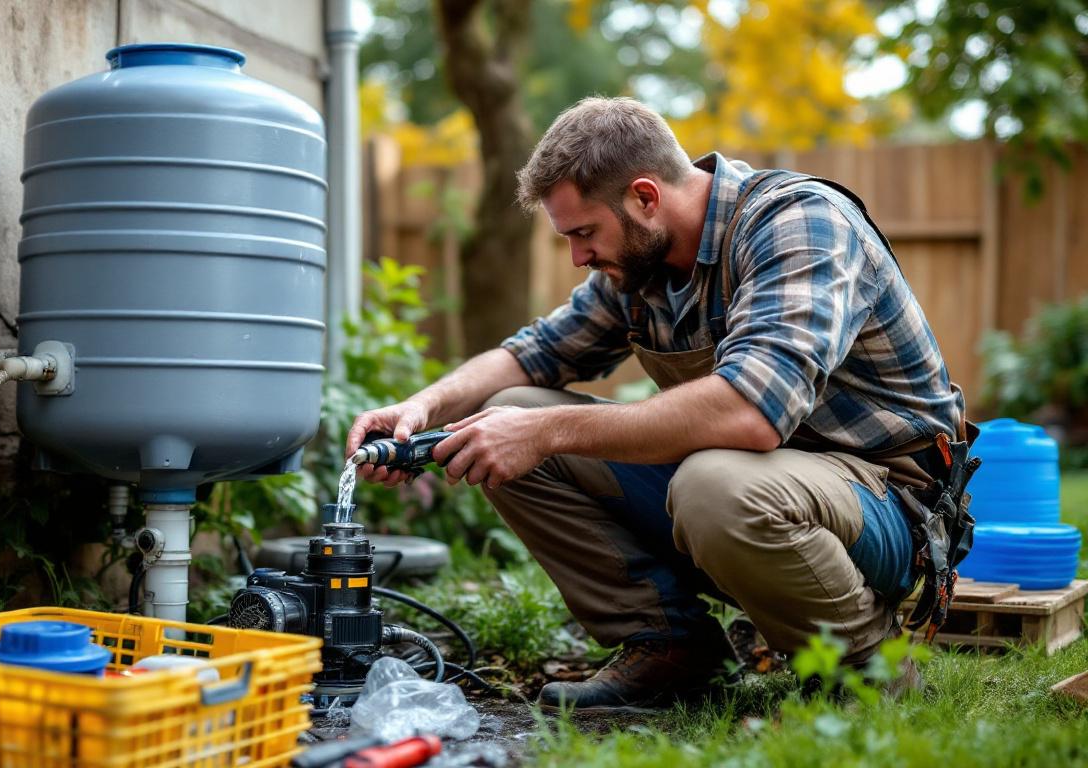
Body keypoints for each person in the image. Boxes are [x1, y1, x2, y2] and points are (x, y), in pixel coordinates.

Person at [345, 97, 969, 712]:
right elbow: (530, 357)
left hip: (887, 498)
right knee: (511, 406)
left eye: (585, 232)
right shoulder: (642, 270)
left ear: (645, 197)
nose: (578, 256)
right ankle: (671, 649)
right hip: (764, 484)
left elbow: (749, 412)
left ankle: (865, 669)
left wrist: (546, 431)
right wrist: (420, 409)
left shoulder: (799, 224)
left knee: (709, 484)